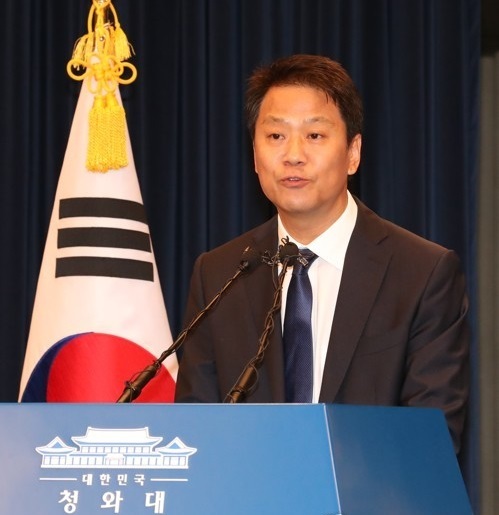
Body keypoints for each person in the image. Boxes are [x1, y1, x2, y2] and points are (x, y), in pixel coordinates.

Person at [174, 54, 469, 453]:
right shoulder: (220, 273)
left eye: (314, 136)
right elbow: (196, 431)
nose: (293, 155)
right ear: (255, 156)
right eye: (275, 136)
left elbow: (432, 440)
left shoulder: (422, 273)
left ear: (353, 153)